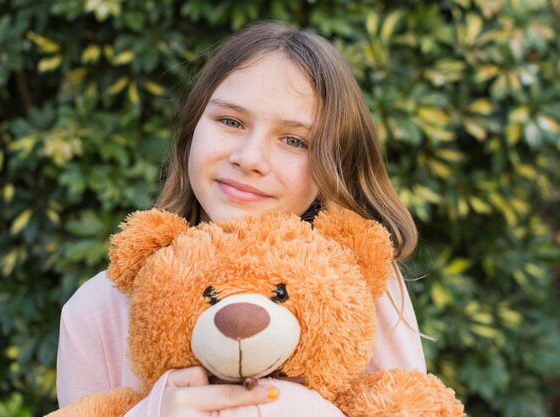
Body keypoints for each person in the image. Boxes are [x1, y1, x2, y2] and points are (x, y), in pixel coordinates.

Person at [56, 21, 426, 416]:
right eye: (230, 121)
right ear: (192, 128)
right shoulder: (99, 310)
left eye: (294, 141)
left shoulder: (365, 292)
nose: (249, 158)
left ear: (333, 166)